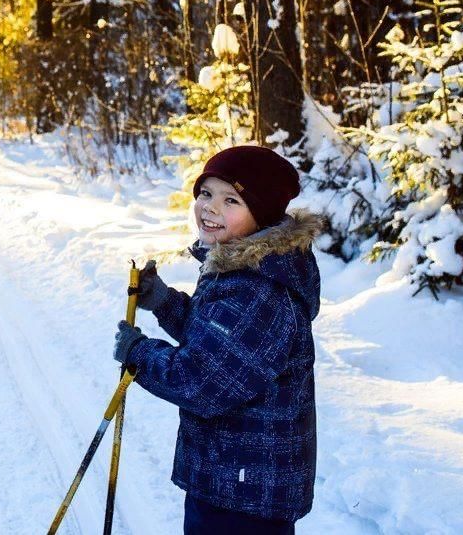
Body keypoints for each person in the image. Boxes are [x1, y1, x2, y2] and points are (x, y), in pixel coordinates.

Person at [112, 145, 323, 534]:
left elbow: (202, 381)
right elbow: (221, 343)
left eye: (231, 200)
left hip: (245, 493)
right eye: (206, 194)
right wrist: (164, 303)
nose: (211, 208)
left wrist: (138, 354)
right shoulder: (244, 265)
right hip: (236, 476)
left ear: (260, 214)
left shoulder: (260, 290)